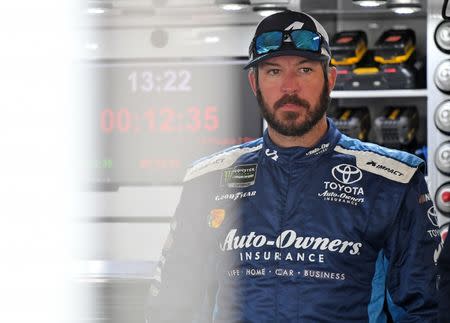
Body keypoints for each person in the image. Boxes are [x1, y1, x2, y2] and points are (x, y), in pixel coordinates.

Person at [147, 10, 440, 322]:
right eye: (273, 71)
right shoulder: (207, 181)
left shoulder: (393, 181)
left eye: (304, 70)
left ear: (330, 79)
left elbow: (425, 311)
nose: (289, 86)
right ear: (253, 82)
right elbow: (172, 304)